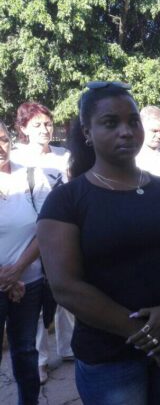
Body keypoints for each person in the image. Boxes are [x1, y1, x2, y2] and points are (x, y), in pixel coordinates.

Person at [37, 81, 160, 404]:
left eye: (132, 121)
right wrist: (142, 334)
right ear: (87, 132)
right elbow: (65, 286)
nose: (126, 131)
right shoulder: (66, 202)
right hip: (110, 358)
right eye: (110, 123)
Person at [11, 101, 75, 384]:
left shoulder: (63, 156)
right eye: (36, 125)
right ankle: (39, 360)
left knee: (66, 291)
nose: (44, 130)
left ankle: (70, 348)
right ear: (23, 128)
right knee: (34, 298)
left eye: (47, 124)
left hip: (63, 233)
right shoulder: (14, 158)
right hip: (29, 237)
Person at [0, 120, 50, 405]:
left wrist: (17, 270)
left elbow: (47, 228)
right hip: (10, 282)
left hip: (28, 284)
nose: (0, 147)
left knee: (25, 352)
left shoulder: (32, 176)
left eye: (4, 139)